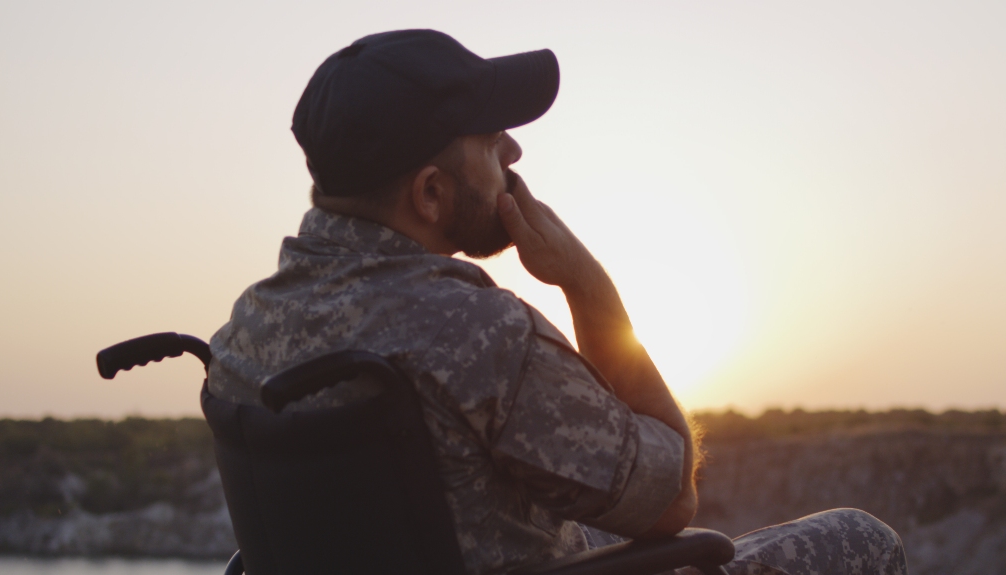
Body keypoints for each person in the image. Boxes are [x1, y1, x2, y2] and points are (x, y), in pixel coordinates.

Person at [207, 29, 907, 575]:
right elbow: (670, 501)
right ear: (430, 193)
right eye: (489, 142)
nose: (513, 150)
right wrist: (584, 279)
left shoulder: (244, 332)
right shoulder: (473, 332)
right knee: (860, 538)